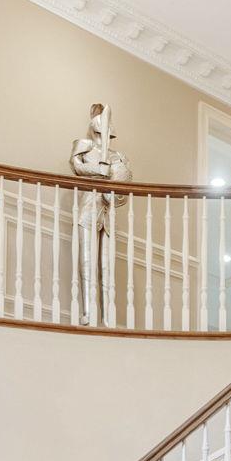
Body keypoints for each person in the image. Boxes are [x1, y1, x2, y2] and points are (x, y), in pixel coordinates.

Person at [68, 104, 131, 326]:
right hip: (88, 207)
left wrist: (111, 182)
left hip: (108, 208)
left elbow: (125, 186)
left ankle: (107, 317)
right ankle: (88, 311)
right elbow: (77, 167)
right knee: (86, 260)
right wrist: (99, 171)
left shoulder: (118, 157)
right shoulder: (83, 146)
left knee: (106, 266)